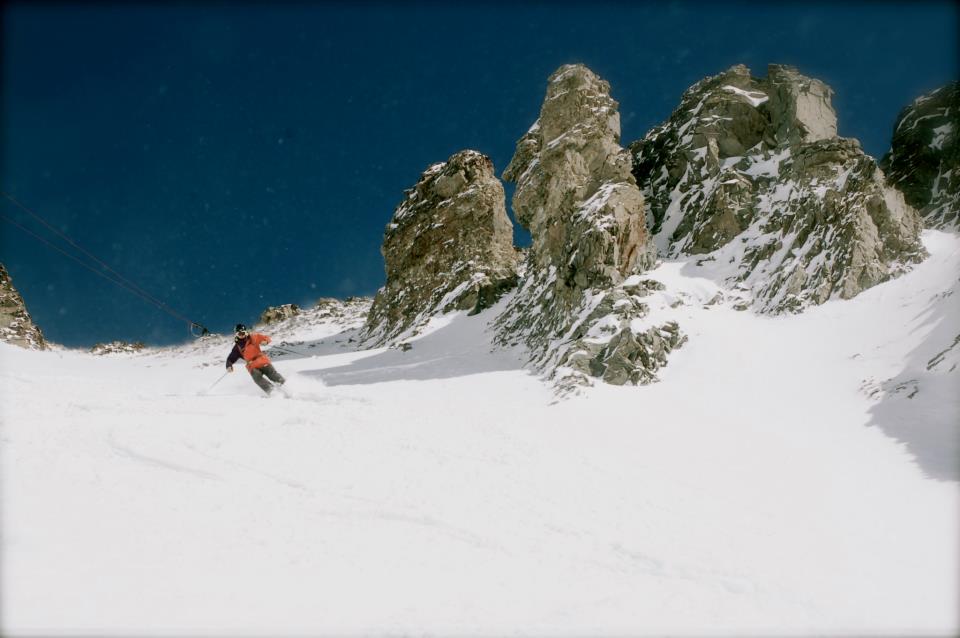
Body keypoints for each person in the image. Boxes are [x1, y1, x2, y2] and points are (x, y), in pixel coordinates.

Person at [226, 323, 287, 395]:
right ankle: (273, 391)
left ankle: (286, 386)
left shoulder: (254, 337)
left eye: (243, 333)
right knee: (257, 378)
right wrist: (229, 365)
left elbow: (266, 338)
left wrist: (266, 341)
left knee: (273, 375)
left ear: (246, 332)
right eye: (239, 334)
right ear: (236, 334)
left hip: (262, 360)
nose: (241, 335)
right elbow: (230, 358)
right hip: (252, 365)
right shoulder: (237, 347)